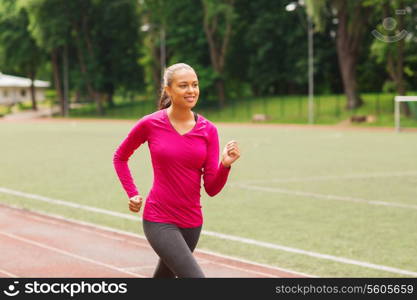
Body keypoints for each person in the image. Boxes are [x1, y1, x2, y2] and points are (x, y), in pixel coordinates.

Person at [113, 63, 240, 278]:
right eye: (183, 85)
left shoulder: (209, 130)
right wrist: (132, 192)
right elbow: (120, 157)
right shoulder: (150, 123)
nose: (191, 91)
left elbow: (211, 188)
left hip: (192, 222)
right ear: (168, 90)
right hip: (159, 218)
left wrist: (225, 165)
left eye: (195, 85)